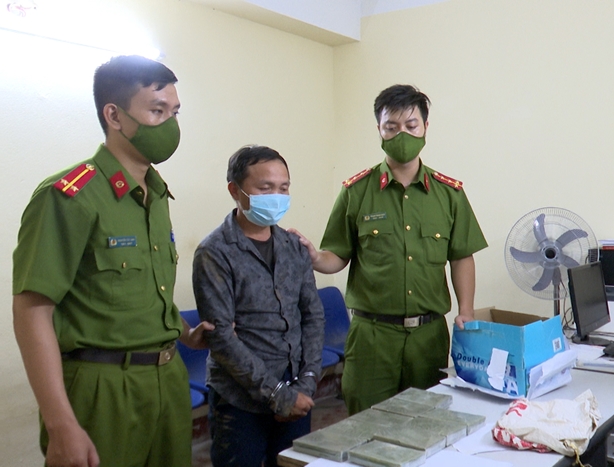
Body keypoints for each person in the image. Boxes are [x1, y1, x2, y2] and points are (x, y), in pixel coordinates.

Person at [12, 55, 213, 467]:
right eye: (157, 111)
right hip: (102, 389)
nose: (169, 124)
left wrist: (186, 334)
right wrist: (61, 425)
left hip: (167, 378)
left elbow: (144, 291)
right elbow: (32, 311)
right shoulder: (70, 196)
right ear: (115, 116)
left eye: (174, 112)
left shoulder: (156, 194)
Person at [292, 84, 488, 415]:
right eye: (391, 127)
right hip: (372, 336)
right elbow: (337, 255)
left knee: (428, 423)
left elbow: (461, 256)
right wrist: (314, 258)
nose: (402, 135)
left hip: (429, 336)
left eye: (411, 126)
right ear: (379, 130)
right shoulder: (356, 191)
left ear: (425, 127)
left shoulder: (449, 194)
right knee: (366, 425)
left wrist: (465, 309)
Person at [192, 145, 325, 467]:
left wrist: (307, 380)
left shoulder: (293, 247)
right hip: (240, 401)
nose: (276, 197)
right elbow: (222, 337)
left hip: (297, 390)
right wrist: (278, 395)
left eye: (283, 188)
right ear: (235, 191)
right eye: (265, 188)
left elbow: (312, 315)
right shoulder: (214, 252)